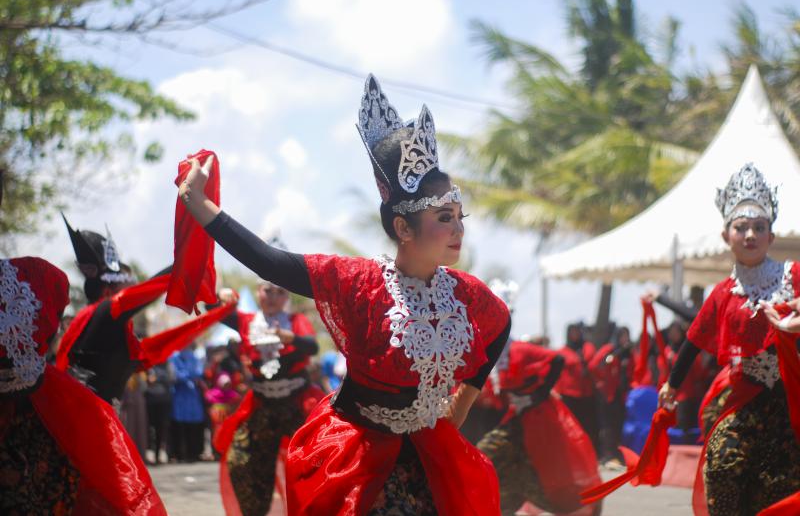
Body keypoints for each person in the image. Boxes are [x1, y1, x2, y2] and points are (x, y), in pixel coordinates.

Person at [176, 74, 511, 515]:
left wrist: (462, 404)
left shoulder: (468, 296)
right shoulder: (358, 282)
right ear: (403, 228)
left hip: (426, 452)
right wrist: (200, 205)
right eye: (444, 217)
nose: (459, 228)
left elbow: (501, 325)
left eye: (459, 215)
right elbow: (272, 262)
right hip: (355, 453)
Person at [592, 163, 800, 515]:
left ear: (771, 236)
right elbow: (693, 340)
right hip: (746, 395)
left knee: (783, 481)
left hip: (793, 392)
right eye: (741, 227)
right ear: (726, 236)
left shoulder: (794, 274)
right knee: (722, 461)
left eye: (759, 227)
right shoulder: (722, 293)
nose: (750, 235)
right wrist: (671, 387)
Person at [0, 256, 166, 514]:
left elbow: (156, 349)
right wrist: (192, 249)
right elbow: (151, 290)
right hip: (77, 420)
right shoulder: (103, 313)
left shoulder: (105, 322)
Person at [57, 216, 235, 410]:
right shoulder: (106, 312)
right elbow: (156, 285)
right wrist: (198, 242)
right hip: (84, 420)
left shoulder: (112, 328)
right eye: (127, 278)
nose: (133, 282)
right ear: (109, 288)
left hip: (99, 419)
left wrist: (217, 310)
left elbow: (160, 346)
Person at [211, 278, 323, 516]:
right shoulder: (247, 321)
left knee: (315, 462)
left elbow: (312, 348)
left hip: (297, 404)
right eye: (267, 290)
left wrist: (289, 337)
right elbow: (212, 310)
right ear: (258, 292)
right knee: (241, 462)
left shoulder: (296, 321)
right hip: (262, 405)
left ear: (286, 298)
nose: (272, 297)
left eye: (279, 291)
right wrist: (222, 297)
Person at [478, 339, 602, 515]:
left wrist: (540, 393)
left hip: (540, 418)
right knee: (493, 457)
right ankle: (502, 504)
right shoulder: (494, 356)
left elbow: (557, 360)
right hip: (518, 418)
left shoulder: (520, 348)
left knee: (546, 469)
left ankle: (576, 505)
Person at [590, 325, 634, 468]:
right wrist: (602, 382)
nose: (625, 339)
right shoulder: (609, 349)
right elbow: (594, 366)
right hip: (608, 394)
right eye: (622, 335)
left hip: (622, 395)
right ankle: (608, 455)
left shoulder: (629, 352)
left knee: (619, 425)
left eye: (627, 336)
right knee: (607, 426)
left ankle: (619, 455)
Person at [556, 323, 599, 450]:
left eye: (577, 332)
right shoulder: (562, 351)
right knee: (572, 425)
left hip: (587, 393)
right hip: (569, 394)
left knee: (589, 424)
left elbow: (591, 357)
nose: (575, 335)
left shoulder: (586, 346)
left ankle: (591, 450)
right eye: (572, 332)